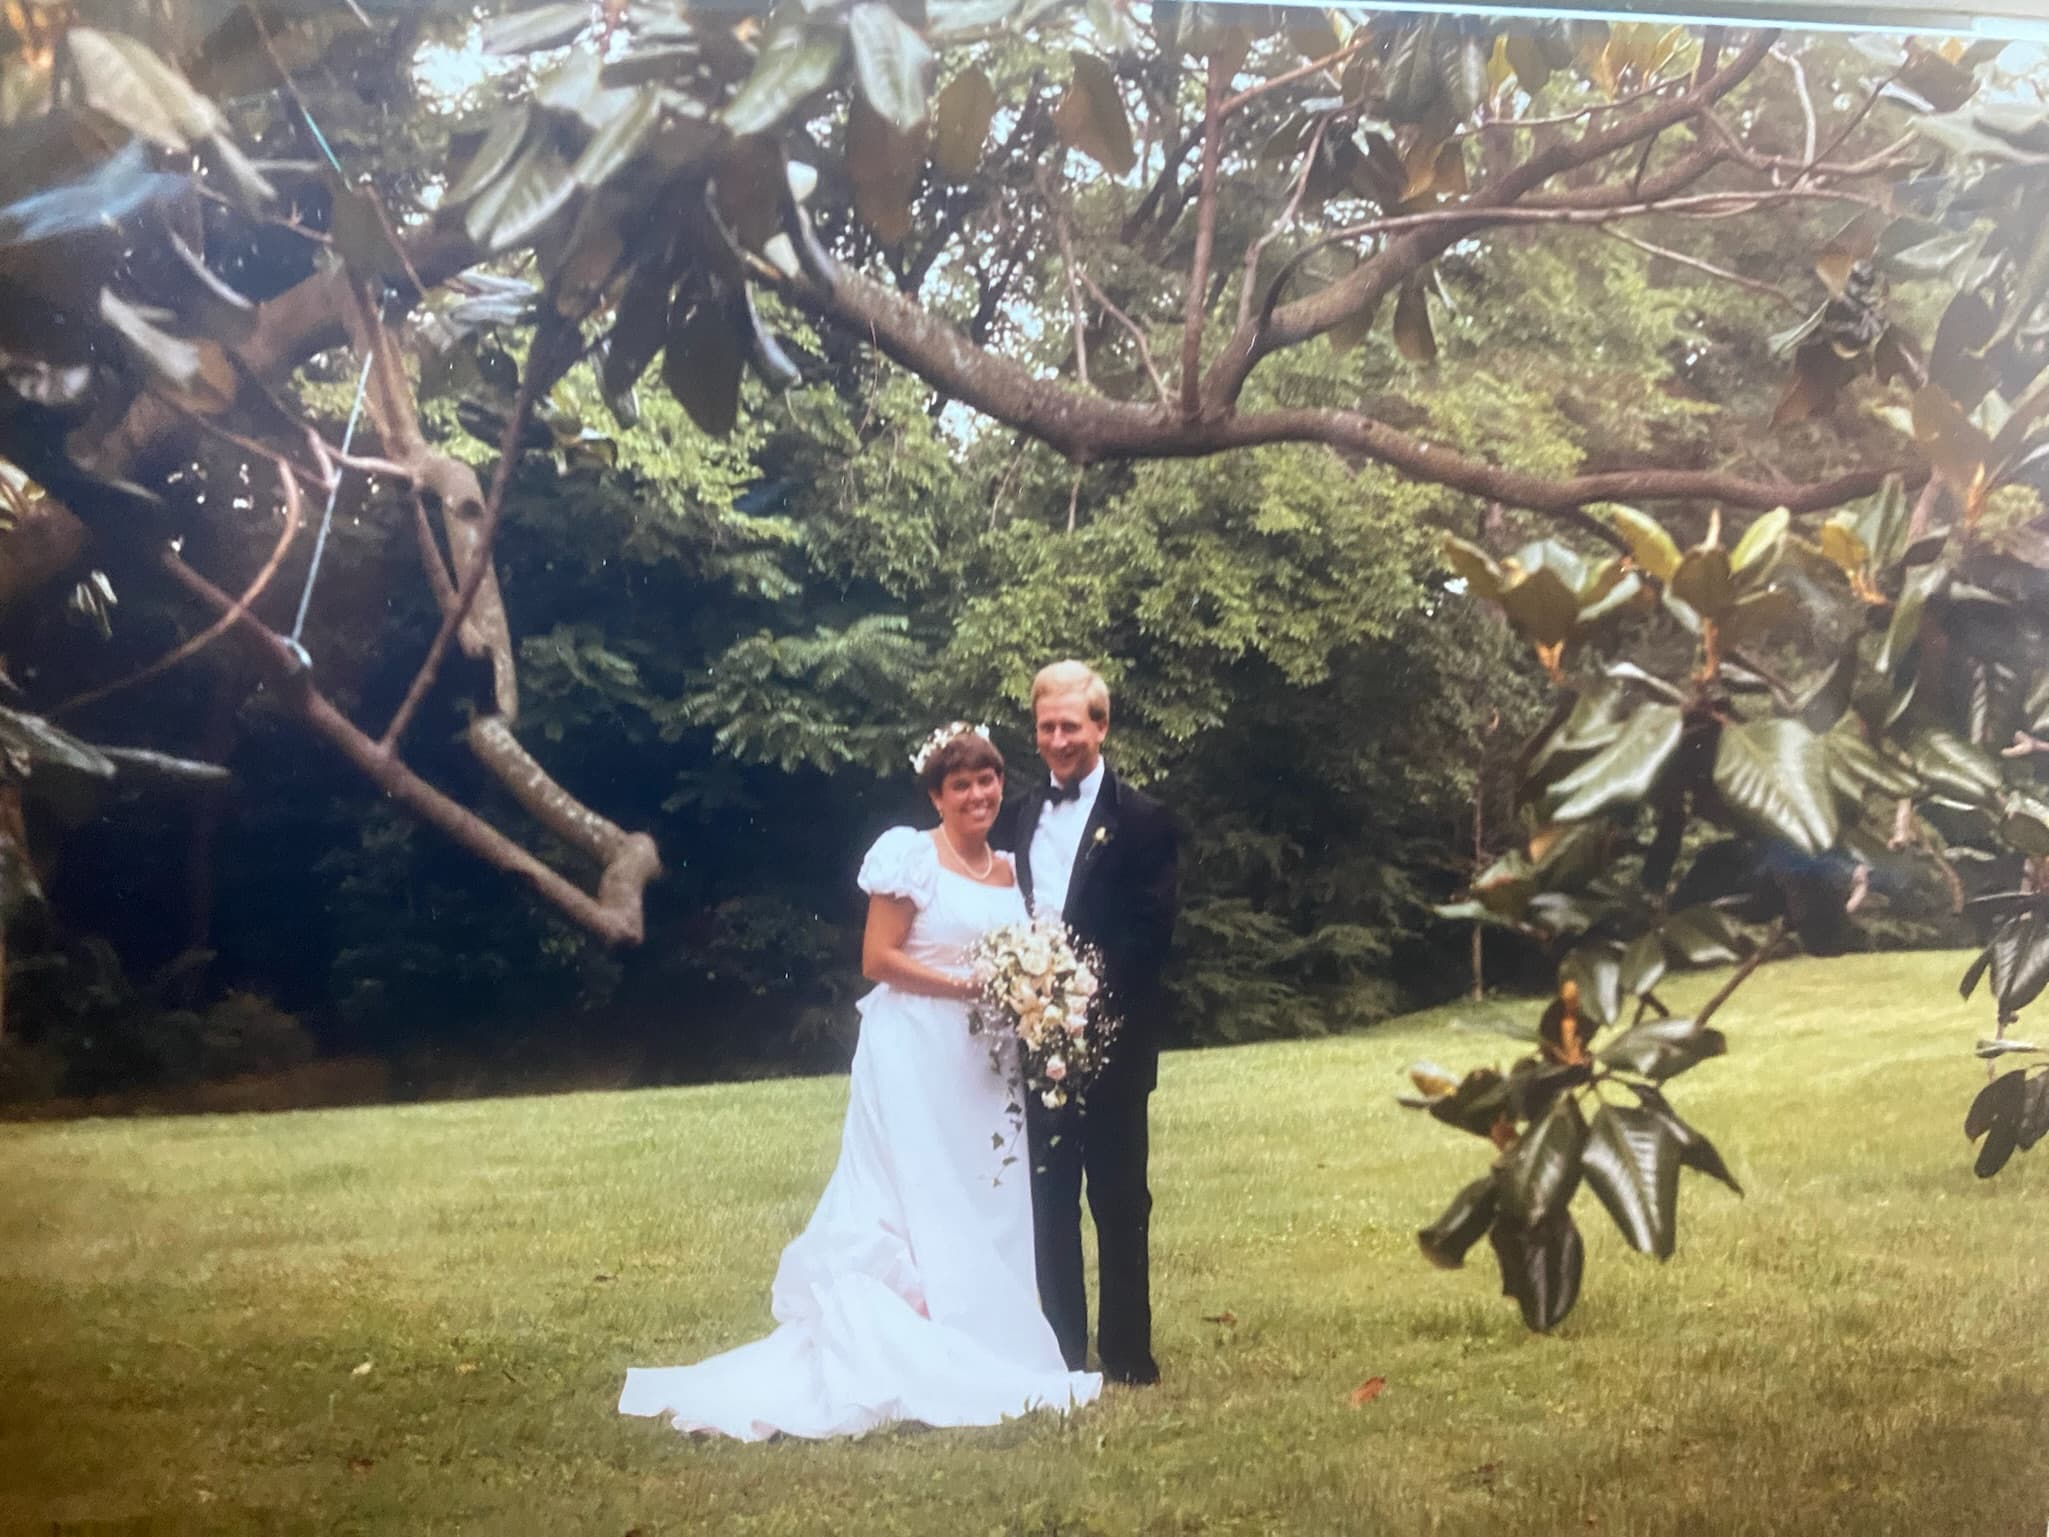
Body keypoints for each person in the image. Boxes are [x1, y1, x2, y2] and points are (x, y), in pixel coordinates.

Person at [618, 724, 1100, 1440]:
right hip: (913, 1051)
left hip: (985, 1062)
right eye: (960, 783)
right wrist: (970, 984)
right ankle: (915, 1335)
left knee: (987, 1193)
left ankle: (991, 1336)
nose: (977, 794)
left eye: (987, 779)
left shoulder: (1007, 869)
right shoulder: (910, 856)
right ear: (936, 794)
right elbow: (877, 958)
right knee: (921, 1191)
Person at [1000, 661, 1179, 1386]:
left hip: (1112, 1036)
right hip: (1032, 1037)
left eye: (1070, 725)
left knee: (1116, 1194)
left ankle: (1128, 1354)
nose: (1057, 739)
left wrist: (1078, 990)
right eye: (1045, 726)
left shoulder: (1144, 818)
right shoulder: (1015, 814)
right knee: (1047, 1196)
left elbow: (1150, 932)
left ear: (1099, 726)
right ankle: (1061, 1352)